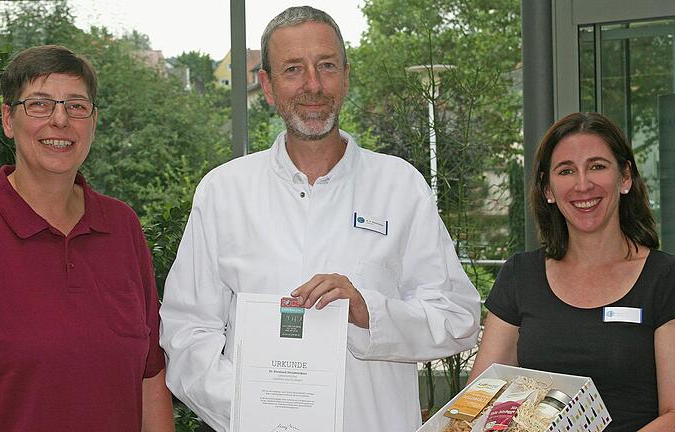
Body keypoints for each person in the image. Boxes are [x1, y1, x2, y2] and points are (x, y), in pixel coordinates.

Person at [159, 6, 481, 432]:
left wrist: (369, 312)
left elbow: (458, 318)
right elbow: (186, 334)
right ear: (268, 86)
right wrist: (253, 408)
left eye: (326, 66)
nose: (313, 85)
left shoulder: (400, 186)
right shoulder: (223, 192)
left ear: (346, 77)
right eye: (293, 69)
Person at [0, 45, 174, 431]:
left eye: (76, 106)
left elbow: (150, 378)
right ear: (8, 119)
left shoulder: (122, 227)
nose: (60, 120)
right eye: (40, 105)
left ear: (94, 121)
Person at [469, 112, 675, 431]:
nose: (583, 184)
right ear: (548, 189)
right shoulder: (520, 276)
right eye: (566, 171)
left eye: (597, 166)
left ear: (625, 178)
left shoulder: (667, 278)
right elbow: (481, 401)